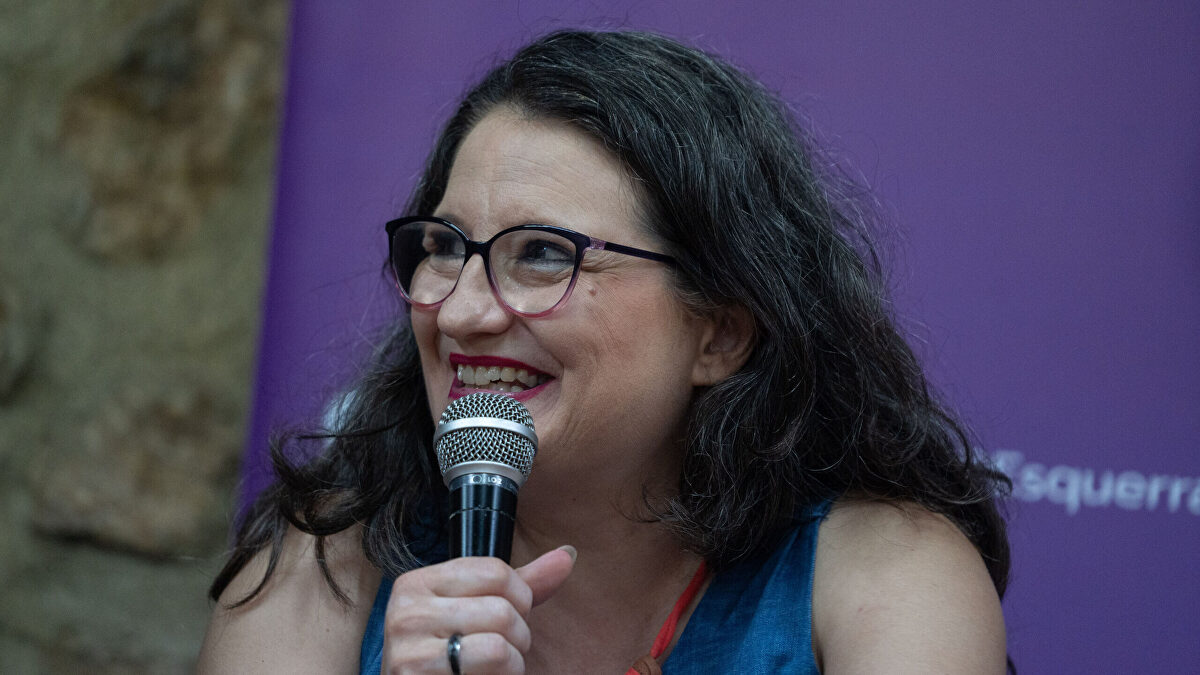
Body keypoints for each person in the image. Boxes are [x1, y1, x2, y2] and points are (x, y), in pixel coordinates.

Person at [198, 30, 1010, 674]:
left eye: (543, 254)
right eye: (444, 246)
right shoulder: (322, 563)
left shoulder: (885, 573)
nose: (463, 312)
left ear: (720, 333)